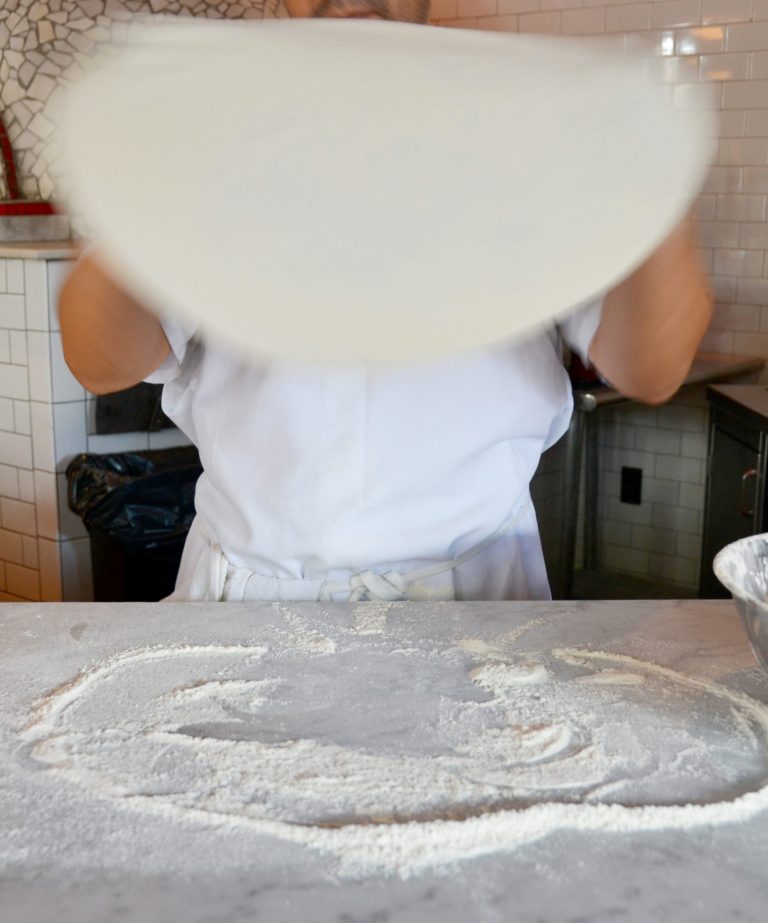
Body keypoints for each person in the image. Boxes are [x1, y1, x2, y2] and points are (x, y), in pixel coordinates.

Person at [59, 1, 713, 603]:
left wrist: (648, 169)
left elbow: (649, 366)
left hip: (476, 601)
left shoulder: (519, 125)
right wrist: (153, 170)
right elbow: (103, 361)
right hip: (250, 598)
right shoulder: (215, 133)